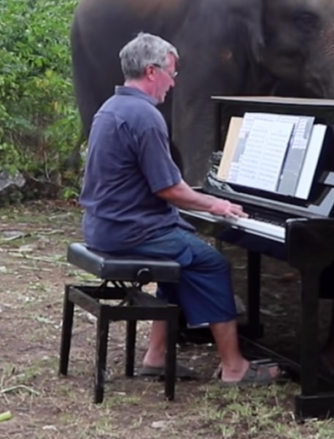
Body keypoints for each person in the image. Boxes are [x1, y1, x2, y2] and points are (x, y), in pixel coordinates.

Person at [77, 32, 282, 385]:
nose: (173, 83)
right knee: (211, 262)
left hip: (103, 225)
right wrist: (215, 203)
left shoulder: (110, 108)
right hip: (128, 232)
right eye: (172, 74)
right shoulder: (144, 115)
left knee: (181, 257)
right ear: (152, 71)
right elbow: (169, 189)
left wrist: (198, 202)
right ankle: (235, 367)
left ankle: (156, 355)